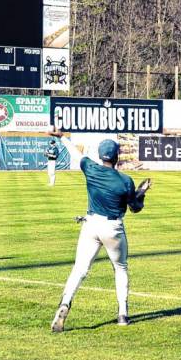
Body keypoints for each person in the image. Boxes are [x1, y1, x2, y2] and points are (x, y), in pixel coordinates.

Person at [48, 128, 150, 332]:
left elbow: (76, 154)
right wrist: (141, 192)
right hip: (113, 227)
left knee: (80, 270)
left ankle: (65, 303)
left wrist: (61, 137)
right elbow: (135, 208)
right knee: (120, 268)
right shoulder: (125, 180)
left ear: (100, 155)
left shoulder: (91, 168)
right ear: (117, 157)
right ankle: (122, 314)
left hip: (91, 224)